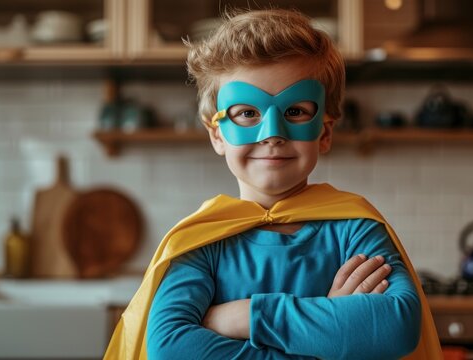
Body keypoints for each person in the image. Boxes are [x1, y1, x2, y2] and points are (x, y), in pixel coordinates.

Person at [104, 9, 442, 360]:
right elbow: (170, 348)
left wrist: (249, 316)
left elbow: (396, 325)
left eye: (294, 112)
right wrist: (327, 332)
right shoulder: (203, 242)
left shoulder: (355, 229)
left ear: (324, 132)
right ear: (217, 135)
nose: (273, 134)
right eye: (248, 113)